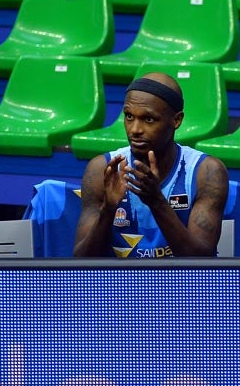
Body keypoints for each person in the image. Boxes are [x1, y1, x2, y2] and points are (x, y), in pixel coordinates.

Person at [74, 72, 228, 258]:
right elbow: (82, 261)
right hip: (121, 284)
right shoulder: (102, 169)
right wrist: (108, 210)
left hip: (180, 285)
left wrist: (157, 201)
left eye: (148, 119)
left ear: (176, 120)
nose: (135, 130)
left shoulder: (206, 172)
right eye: (129, 116)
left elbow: (201, 261)